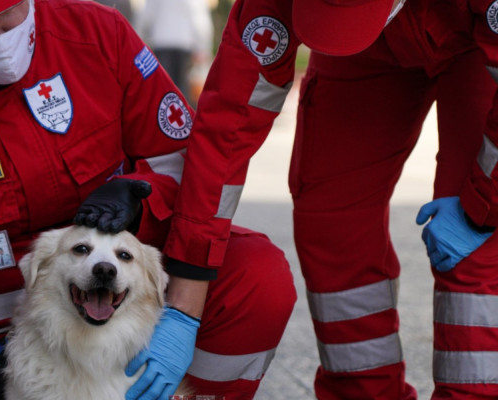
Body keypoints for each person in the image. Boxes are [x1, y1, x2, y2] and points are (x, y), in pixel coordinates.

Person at [0, 0, 296, 399]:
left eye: (8, 14)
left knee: (256, 277)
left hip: (107, 312)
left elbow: (186, 165)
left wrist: (142, 201)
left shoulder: (97, 35)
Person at [162, 0, 498, 399]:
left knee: (479, 254)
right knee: (332, 224)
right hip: (364, 58)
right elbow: (227, 126)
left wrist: (483, 207)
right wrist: (184, 298)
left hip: (479, 44)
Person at [135, 0, 213, 103]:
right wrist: (203, 47)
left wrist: (138, 42)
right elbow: (200, 20)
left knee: (162, 90)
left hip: (161, 42)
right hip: (183, 43)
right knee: (181, 91)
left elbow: (146, 15)